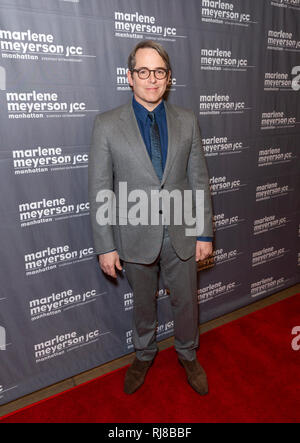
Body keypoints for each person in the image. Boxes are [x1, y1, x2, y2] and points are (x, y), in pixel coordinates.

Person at [88, 40, 213, 395]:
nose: (152, 79)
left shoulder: (187, 120)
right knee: (143, 306)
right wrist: (105, 246)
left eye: (159, 71)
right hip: (134, 235)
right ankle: (143, 353)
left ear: (168, 77)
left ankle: (188, 353)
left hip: (181, 232)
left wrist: (204, 234)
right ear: (130, 77)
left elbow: (199, 180)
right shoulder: (107, 124)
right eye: (143, 71)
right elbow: (100, 190)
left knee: (186, 302)